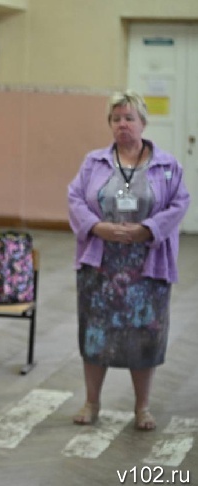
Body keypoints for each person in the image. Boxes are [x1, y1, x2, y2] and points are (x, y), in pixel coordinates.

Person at [67, 90, 190, 431]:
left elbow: (179, 203)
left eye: (129, 118)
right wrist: (97, 226)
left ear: (143, 123)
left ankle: (142, 407)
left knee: (145, 335)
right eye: (116, 118)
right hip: (100, 265)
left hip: (147, 266)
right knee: (95, 334)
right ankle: (92, 402)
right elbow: (75, 196)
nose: (123, 124)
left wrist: (147, 229)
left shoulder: (167, 165)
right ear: (110, 124)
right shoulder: (94, 162)